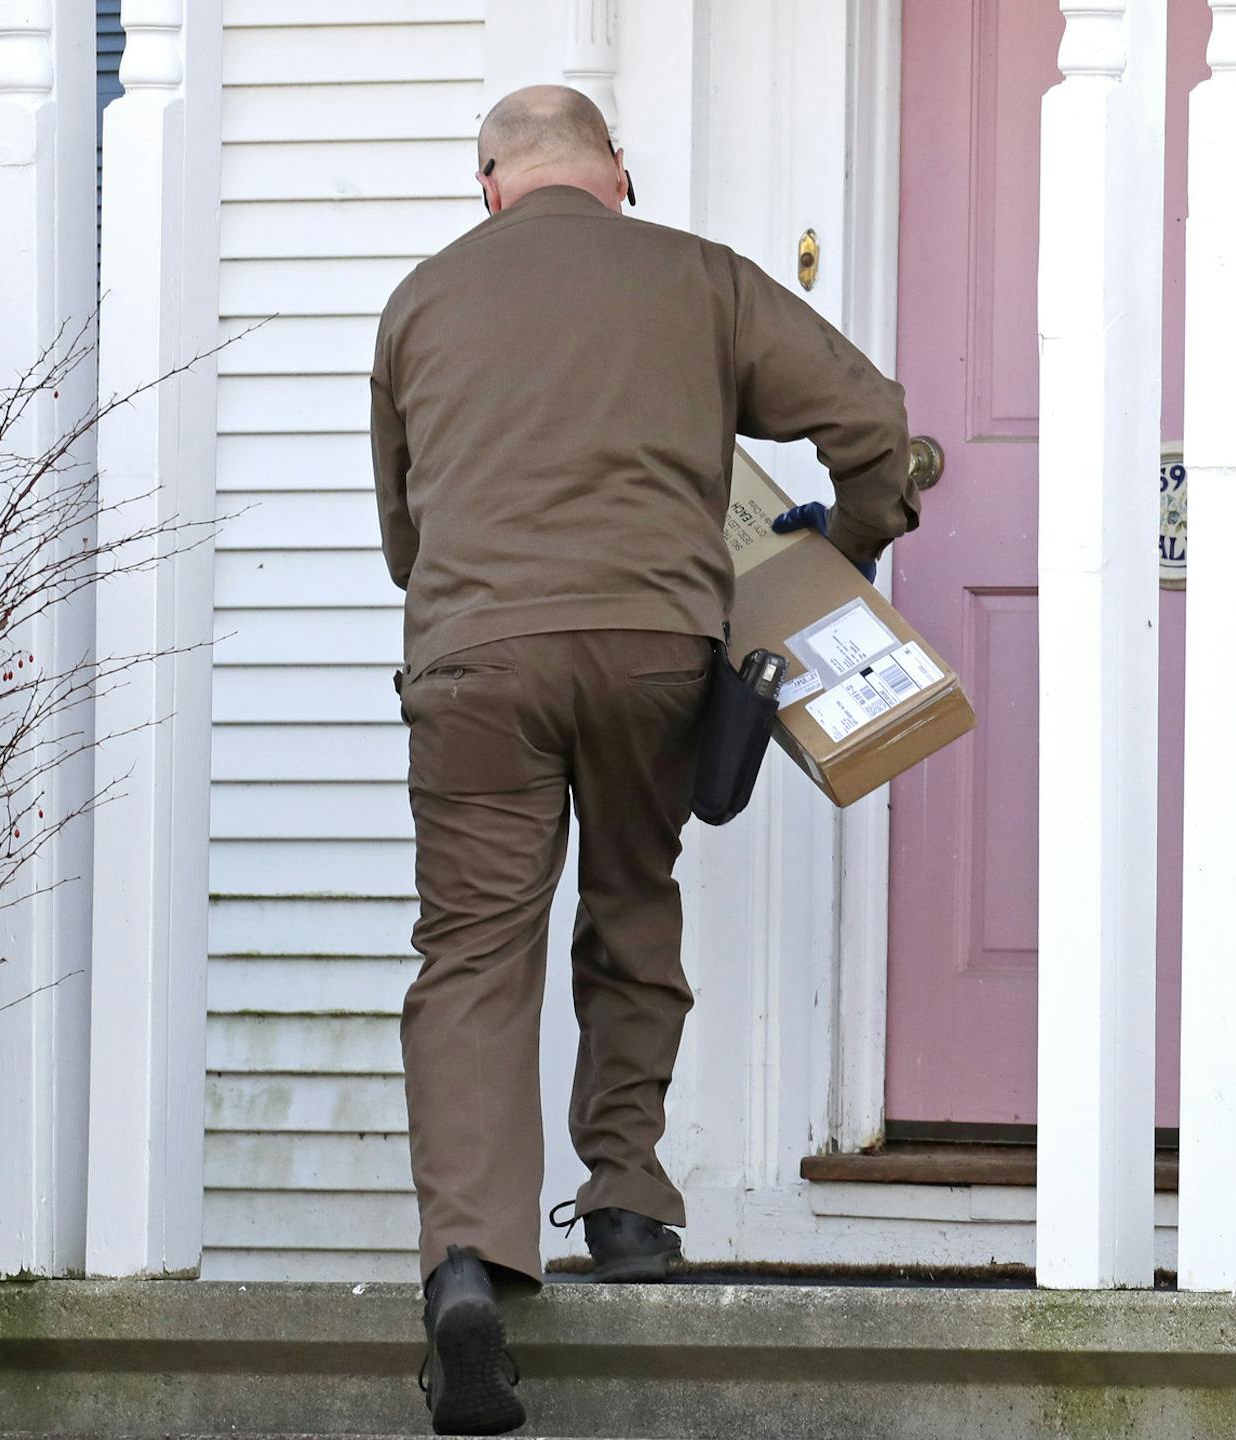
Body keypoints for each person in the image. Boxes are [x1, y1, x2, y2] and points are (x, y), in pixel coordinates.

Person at [369, 84, 918, 1436]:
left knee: (473, 956)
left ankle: (471, 1264)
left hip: (476, 660)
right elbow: (874, 429)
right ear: (619, 170)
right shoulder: (704, 281)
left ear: (487, 181)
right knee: (629, 912)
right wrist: (847, 542)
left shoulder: (420, 303)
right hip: (650, 651)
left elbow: (404, 536)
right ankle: (625, 1208)